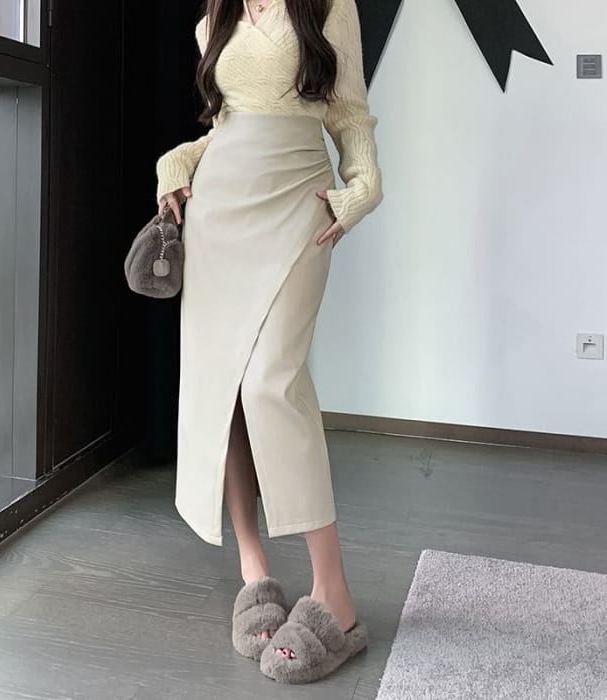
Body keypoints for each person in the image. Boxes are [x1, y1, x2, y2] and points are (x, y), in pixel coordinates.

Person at [155, 0, 383, 684]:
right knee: (223, 392)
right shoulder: (215, 16)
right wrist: (178, 161)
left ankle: (334, 597)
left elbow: (349, 114)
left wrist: (363, 188)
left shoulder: (328, 7)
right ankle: (254, 574)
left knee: (269, 385)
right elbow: (226, 125)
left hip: (297, 204)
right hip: (218, 215)